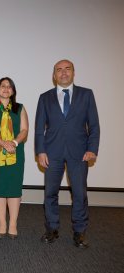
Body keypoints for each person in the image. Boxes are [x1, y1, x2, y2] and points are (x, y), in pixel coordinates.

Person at [35, 59, 100, 248]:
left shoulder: (86, 95)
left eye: (67, 69)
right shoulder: (44, 97)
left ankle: (80, 232)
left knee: (79, 193)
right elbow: (40, 128)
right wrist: (40, 151)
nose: (63, 73)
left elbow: (94, 126)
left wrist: (92, 148)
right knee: (50, 193)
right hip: (52, 152)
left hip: (79, 153)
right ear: (54, 75)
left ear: (73, 73)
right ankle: (52, 228)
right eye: (59, 70)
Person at [0, 77, 28, 239]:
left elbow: (24, 130)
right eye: (3, 86)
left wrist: (13, 143)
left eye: (9, 86)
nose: (6, 89)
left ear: (13, 91)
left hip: (16, 153)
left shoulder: (20, 108)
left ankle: (13, 224)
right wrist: (3, 143)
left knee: (14, 187)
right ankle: (2, 223)